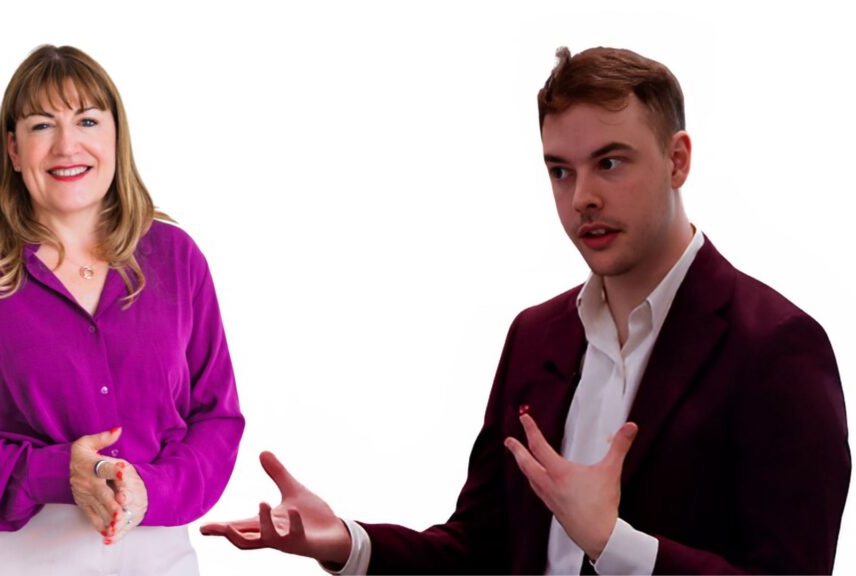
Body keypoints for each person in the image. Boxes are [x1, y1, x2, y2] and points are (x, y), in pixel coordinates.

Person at [200, 46, 849, 574]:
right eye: (560, 171)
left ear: (677, 160)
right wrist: (350, 543)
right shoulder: (536, 335)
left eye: (610, 163)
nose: (582, 197)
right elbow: (481, 550)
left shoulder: (777, 347)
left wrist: (614, 544)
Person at [0, 45, 244, 576]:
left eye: (87, 120)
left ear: (116, 137)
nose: (66, 145)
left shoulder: (176, 257)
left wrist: (152, 489)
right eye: (42, 125)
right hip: (10, 557)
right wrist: (56, 472)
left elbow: (216, 419)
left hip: (156, 552)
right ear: (14, 150)